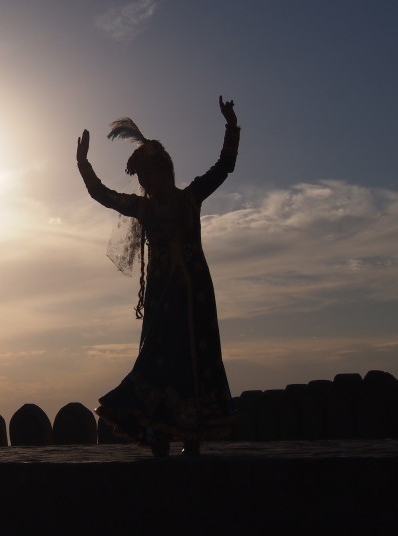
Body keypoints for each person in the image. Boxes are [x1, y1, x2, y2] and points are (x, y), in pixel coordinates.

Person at [76, 96, 240, 456]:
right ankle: (160, 435)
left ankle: (194, 437)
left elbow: (224, 166)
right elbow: (102, 195)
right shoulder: (142, 208)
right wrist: (83, 164)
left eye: (148, 174)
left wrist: (231, 125)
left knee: (198, 356)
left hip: (195, 292)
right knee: (158, 358)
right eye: (141, 177)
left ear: (164, 171)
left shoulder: (191, 197)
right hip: (162, 296)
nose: (144, 182)